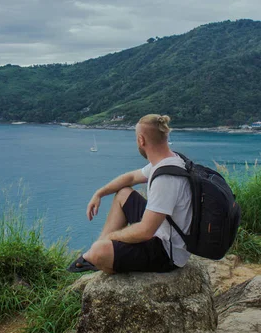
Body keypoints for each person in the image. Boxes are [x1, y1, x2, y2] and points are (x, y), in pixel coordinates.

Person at [68, 114, 192, 274]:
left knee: (100, 251)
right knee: (123, 194)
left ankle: (99, 256)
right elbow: (131, 177)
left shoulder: (165, 178)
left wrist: (111, 237)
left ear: (141, 140)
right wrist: (99, 193)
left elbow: (145, 231)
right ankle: (94, 253)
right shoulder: (169, 160)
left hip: (167, 252)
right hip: (164, 228)